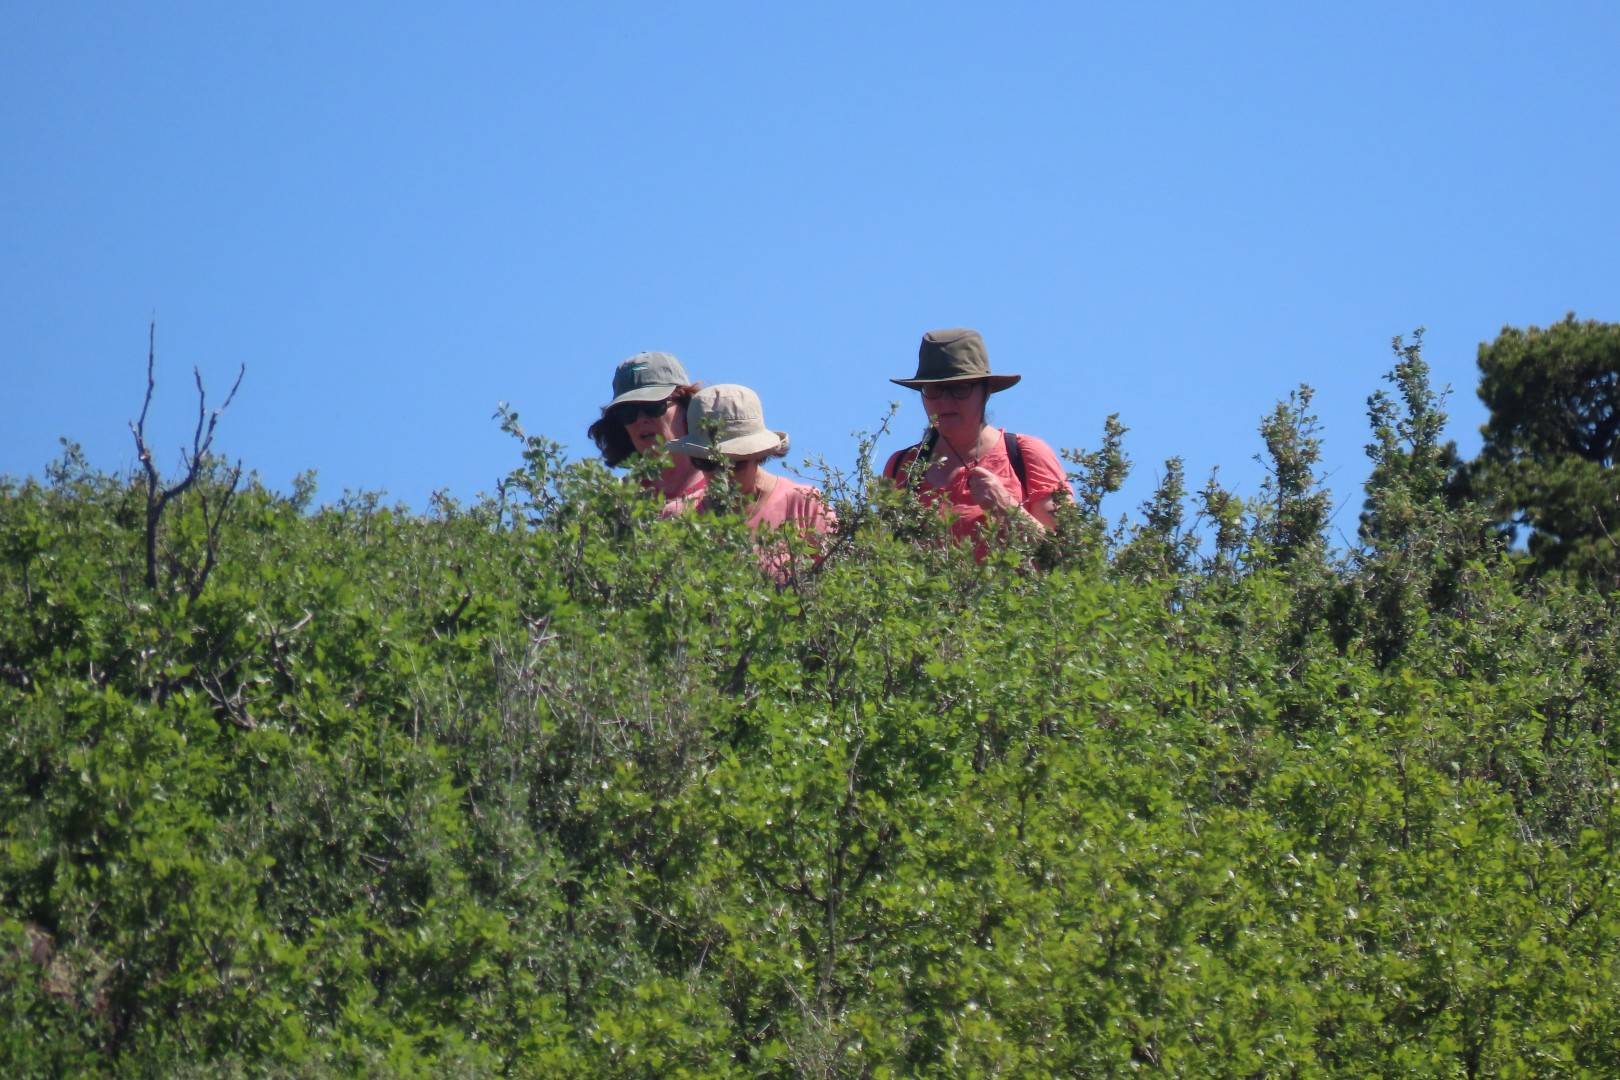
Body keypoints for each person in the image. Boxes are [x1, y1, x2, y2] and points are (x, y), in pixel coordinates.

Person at [882, 328, 1069, 544]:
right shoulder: (903, 466)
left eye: (959, 388)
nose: (945, 401)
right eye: (934, 389)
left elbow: (1067, 556)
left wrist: (1007, 508)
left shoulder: (1026, 455)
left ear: (986, 391)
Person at [661, 384, 830, 575]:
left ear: (758, 455)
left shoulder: (805, 505)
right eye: (707, 463)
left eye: (735, 464)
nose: (721, 476)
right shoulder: (677, 518)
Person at [586, 351, 705, 502]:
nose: (641, 419)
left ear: (687, 407)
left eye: (653, 407)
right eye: (628, 413)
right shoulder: (616, 503)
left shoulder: (731, 484)